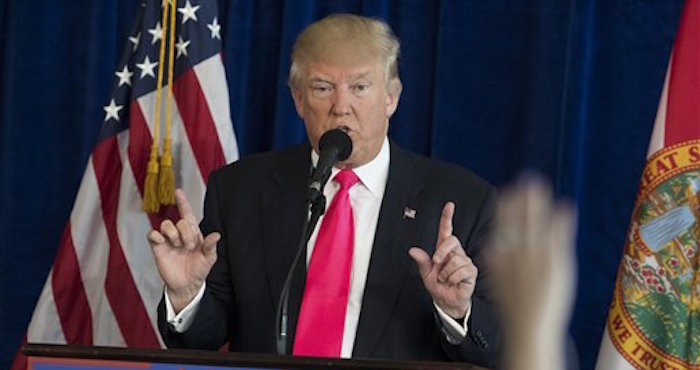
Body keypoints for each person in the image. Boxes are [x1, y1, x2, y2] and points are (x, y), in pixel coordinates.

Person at [148, 13, 501, 368]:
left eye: (360, 87)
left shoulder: (463, 200)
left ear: (391, 98)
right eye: (322, 88)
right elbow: (203, 339)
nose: (340, 107)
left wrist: (457, 311)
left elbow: (499, 348)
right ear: (299, 100)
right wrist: (186, 295)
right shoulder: (239, 189)